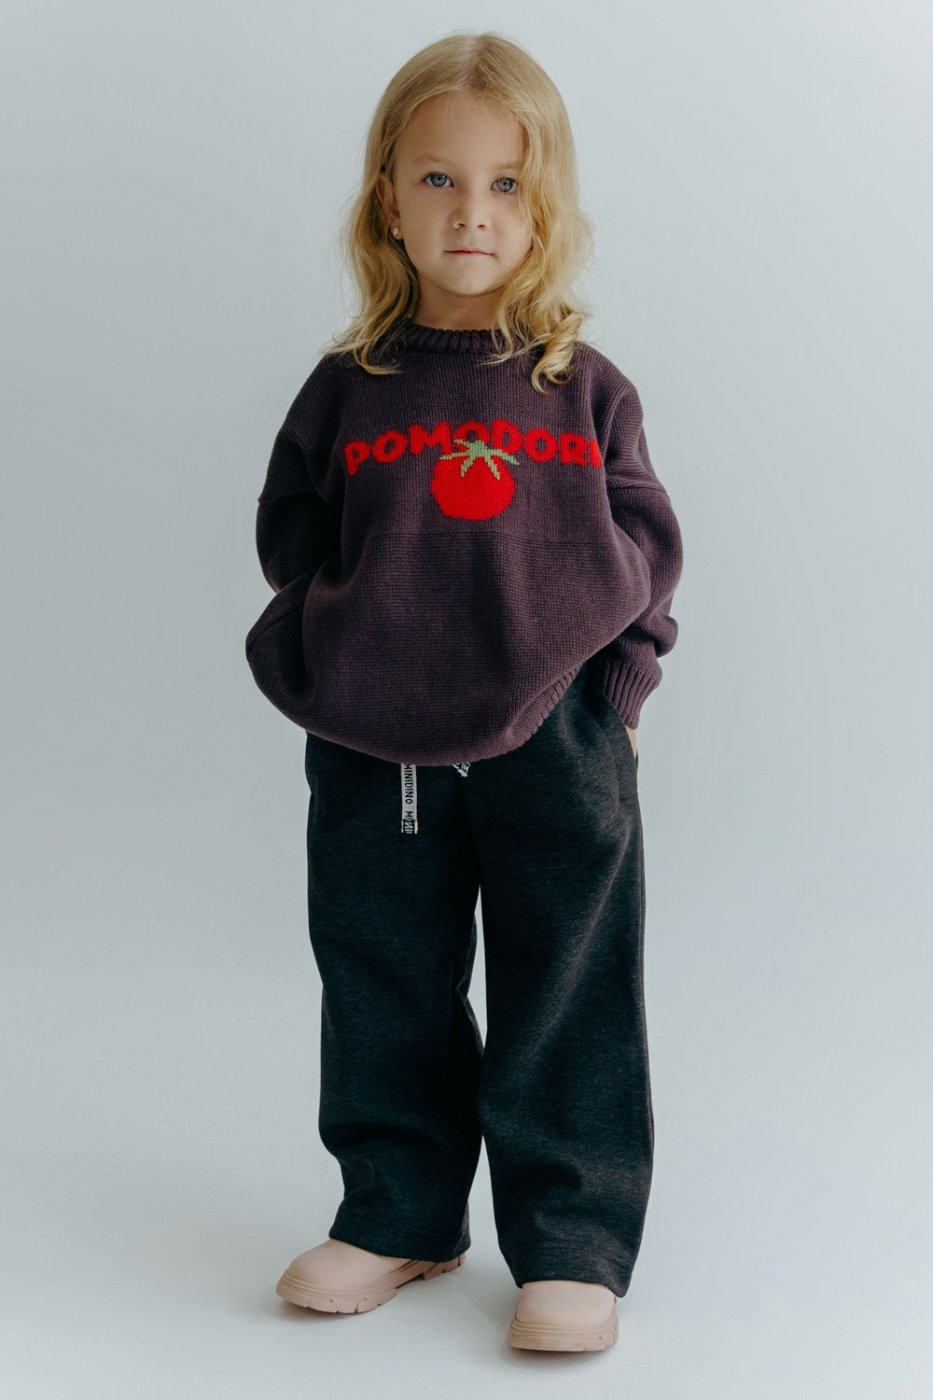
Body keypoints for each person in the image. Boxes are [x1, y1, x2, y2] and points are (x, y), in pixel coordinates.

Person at [245, 31, 684, 1354]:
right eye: (438, 180)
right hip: (372, 747)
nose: (470, 212)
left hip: (557, 736)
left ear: (543, 207)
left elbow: (647, 547)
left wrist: (618, 690)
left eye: (504, 184)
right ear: (388, 198)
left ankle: (572, 1240)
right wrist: (328, 660)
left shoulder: (581, 389)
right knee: (383, 977)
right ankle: (398, 1214)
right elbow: (294, 539)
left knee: (567, 986)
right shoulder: (349, 389)